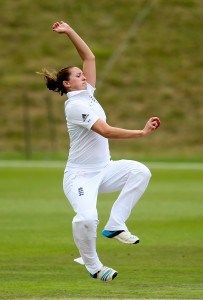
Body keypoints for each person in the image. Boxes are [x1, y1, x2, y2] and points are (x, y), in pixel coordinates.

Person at [39, 21, 160, 282]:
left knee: (140, 171)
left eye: (83, 75)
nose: (84, 76)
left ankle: (116, 224)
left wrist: (70, 31)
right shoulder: (74, 107)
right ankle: (94, 266)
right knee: (86, 219)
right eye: (78, 76)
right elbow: (104, 130)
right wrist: (140, 133)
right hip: (80, 176)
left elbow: (89, 56)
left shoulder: (88, 94)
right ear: (68, 85)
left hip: (103, 170)